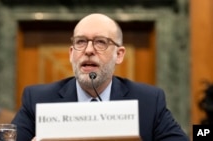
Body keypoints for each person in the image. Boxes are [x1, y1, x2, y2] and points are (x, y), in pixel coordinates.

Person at [11, 13, 189, 141]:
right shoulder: (38, 100)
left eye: (100, 42)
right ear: (71, 54)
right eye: (80, 42)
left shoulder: (148, 101)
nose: (88, 50)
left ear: (119, 54)